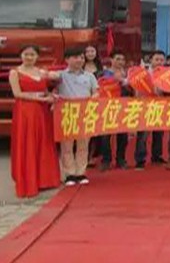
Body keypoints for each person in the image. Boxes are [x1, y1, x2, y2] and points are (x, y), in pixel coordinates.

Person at [8, 45, 61, 198]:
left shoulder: (41, 72)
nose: (29, 57)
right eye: (26, 54)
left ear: (37, 57)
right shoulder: (15, 72)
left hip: (42, 112)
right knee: (28, 143)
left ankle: (45, 180)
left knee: (43, 142)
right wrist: (39, 98)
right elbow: (17, 94)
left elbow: (48, 88)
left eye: (32, 55)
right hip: (25, 111)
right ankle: (28, 181)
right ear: (21, 55)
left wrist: (51, 96)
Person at [56, 48, 99, 186]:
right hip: (67, 114)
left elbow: (96, 92)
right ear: (67, 59)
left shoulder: (89, 76)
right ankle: (69, 174)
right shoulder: (60, 76)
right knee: (67, 145)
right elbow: (53, 89)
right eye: (75, 57)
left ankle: (80, 172)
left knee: (83, 145)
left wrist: (94, 97)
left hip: (85, 114)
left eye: (81, 57)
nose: (79, 60)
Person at [134, 50, 168, 170]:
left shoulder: (166, 74)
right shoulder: (143, 74)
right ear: (151, 60)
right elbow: (137, 90)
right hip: (145, 106)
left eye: (161, 60)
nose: (159, 62)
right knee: (143, 134)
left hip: (160, 106)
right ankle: (140, 159)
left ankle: (156, 156)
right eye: (156, 59)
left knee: (159, 133)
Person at [98, 50, 130, 171]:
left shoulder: (128, 74)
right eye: (117, 59)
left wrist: (127, 83)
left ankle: (121, 160)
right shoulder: (104, 73)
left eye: (122, 60)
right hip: (107, 108)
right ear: (111, 60)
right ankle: (106, 160)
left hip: (124, 107)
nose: (120, 62)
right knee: (105, 136)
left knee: (123, 136)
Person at [84, 45, 104, 168]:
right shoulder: (80, 67)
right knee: (85, 131)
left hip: (98, 102)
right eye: (88, 51)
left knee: (96, 131)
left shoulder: (101, 68)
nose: (90, 53)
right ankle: (84, 157)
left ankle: (92, 156)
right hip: (83, 102)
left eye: (92, 51)